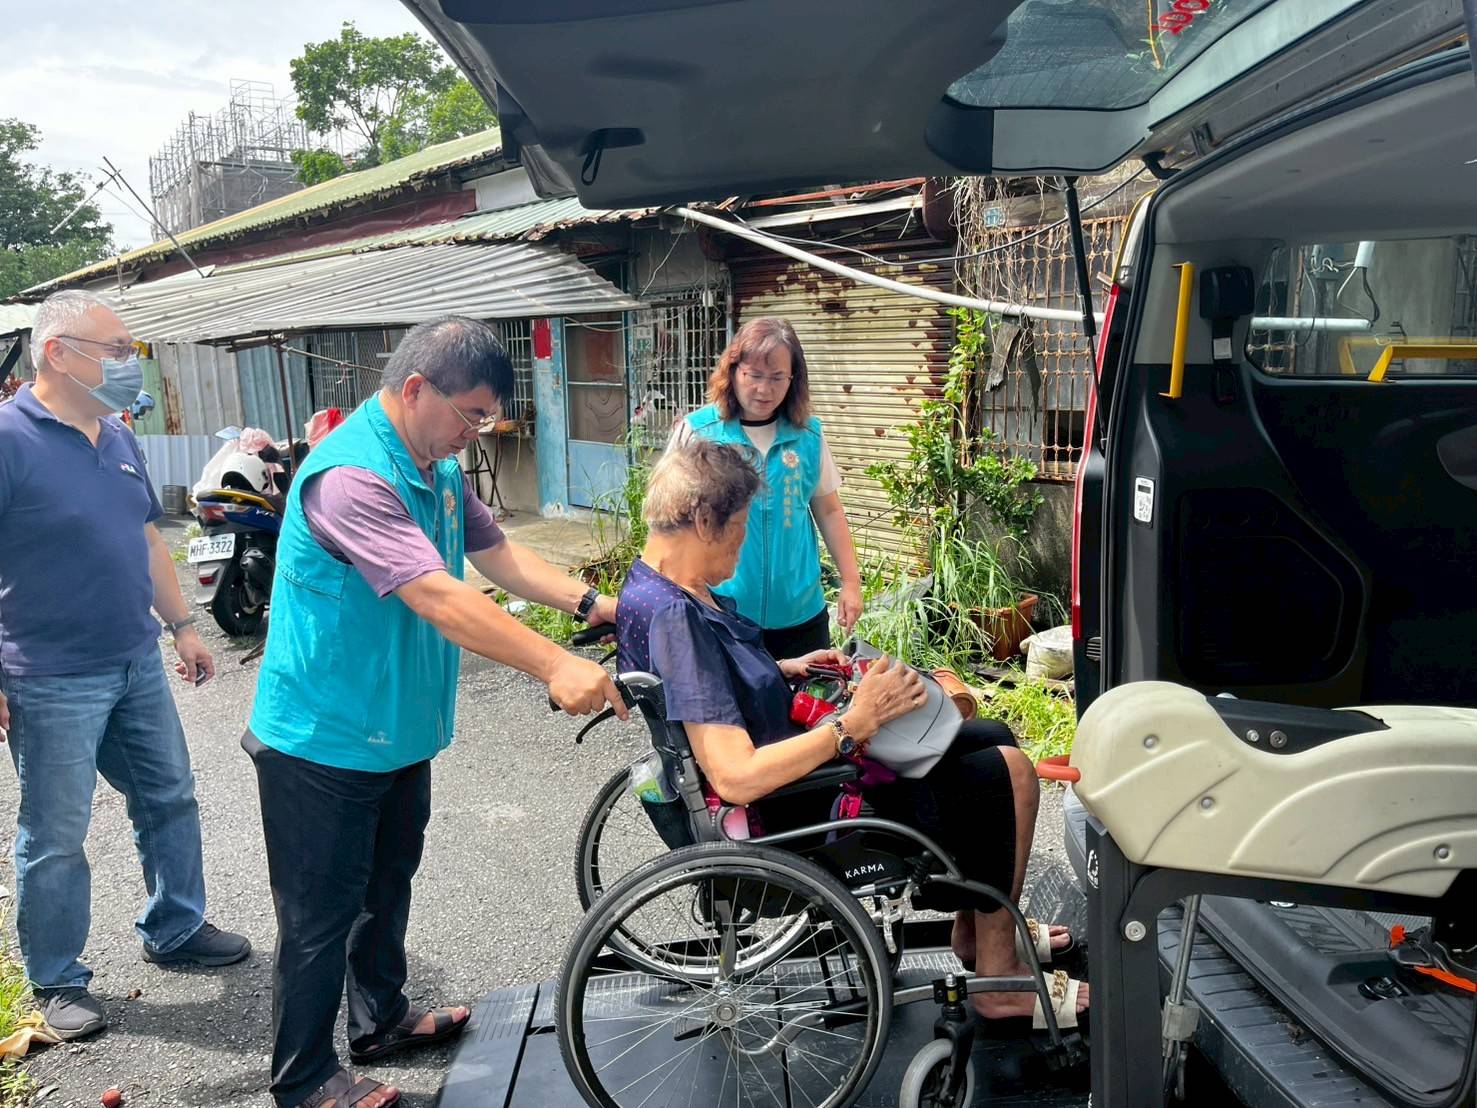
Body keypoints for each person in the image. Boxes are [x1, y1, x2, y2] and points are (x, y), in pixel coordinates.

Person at [244, 316, 627, 1108]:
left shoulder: (437, 466)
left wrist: (596, 603)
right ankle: (305, 1079)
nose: (474, 434)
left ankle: (379, 1019)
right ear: (415, 389)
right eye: (471, 415)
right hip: (322, 738)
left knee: (387, 885)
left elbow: (498, 554)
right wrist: (554, 662)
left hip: (394, 731)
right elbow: (436, 594)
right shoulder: (352, 476)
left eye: (485, 419)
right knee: (320, 915)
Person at [616, 440, 1089, 1028]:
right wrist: (854, 722)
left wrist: (784, 670)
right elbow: (735, 776)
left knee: (989, 732)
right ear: (704, 520)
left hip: (797, 775)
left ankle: (980, 928)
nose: (744, 543)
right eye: (738, 529)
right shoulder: (677, 619)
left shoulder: (654, 588)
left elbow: (716, 685)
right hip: (795, 810)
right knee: (1007, 773)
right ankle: (996, 971)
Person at [0, 290, 251, 1042]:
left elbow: (144, 536)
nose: (125, 363)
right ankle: (56, 977)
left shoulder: (115, 434)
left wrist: (183, 627)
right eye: (114, 349)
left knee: (169, 797)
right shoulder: (8, 438)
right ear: (57, 352)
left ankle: (175, 927)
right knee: (56, 830)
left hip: (133, 659)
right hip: (48, 675)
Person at [671, 317, 863, 658]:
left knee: (803, 708)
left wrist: (851, 582)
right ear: (733, 372)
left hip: (800, 615)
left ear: (793, 379)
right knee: (729, 711)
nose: (765, 389)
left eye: (777, 378)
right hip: (719, 612)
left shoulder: (808, 436)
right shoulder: (699, 432)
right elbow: (668, 520)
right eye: (754, 376)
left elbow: (829, 511)